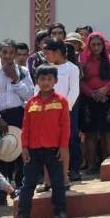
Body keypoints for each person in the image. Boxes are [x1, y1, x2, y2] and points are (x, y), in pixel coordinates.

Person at [17, 65, 70, 218]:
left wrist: (63, 147)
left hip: (53, 149)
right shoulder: (30, 103)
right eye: (42, 79)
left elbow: (65, 126)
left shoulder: (61, 101)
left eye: (49, 79)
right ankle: (23, 216)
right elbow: (25, 127)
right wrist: (24, 148)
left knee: (57, 181)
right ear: (36, 81)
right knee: (28, 183)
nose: (45, 82)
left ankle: (60, 213)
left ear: (55, 81)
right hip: (33, 150)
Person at [0, 39, 33, 205]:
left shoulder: (22, 72)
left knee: (20, 154)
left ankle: (22, 191)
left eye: (11, 53)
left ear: (15, 54)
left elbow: (29, 96)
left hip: (18, 114)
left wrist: (15, 79)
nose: (8, 56)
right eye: (4, 52)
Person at [79, 32, 110, 174]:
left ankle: (106, 163)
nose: (96, 47)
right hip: (89, 100)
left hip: (107, 100)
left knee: (106, 131)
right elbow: (81, 81)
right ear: (89, 46)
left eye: (99, 44)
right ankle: (91, 165)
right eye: (93, 44)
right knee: (90, 133)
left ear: (103, 45)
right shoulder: (84, 61)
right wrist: (93, 93)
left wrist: (105, 89)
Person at [41, 39, 79, 184]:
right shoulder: (45, 67)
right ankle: (47, 180)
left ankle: (64, 177)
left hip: (64, 112)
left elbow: (74, 90)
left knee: (63, 145)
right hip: (46, 112)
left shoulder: (72, 68)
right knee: (46, 145)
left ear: (57, 52)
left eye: (48, 54)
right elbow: (38, 89)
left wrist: (63, 108)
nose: (46, 57)